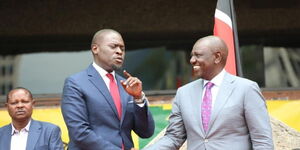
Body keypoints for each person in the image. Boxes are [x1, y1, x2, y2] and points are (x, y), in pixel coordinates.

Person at [144, 35, 274, 150]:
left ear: (217, 57)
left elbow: (262, 140)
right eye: (192, 56)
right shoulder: (183, 93)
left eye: (198, 55)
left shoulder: (246, 89)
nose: (192, 60)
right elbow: (173, 137)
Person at [61, 29, 155, 150]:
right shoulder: (76, 83)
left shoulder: (127, 85)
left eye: (122, 48)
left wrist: (138, 99)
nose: (119, 52)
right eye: (113, 46)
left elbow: (146, 132)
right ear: (95, 49)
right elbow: (79, 133)